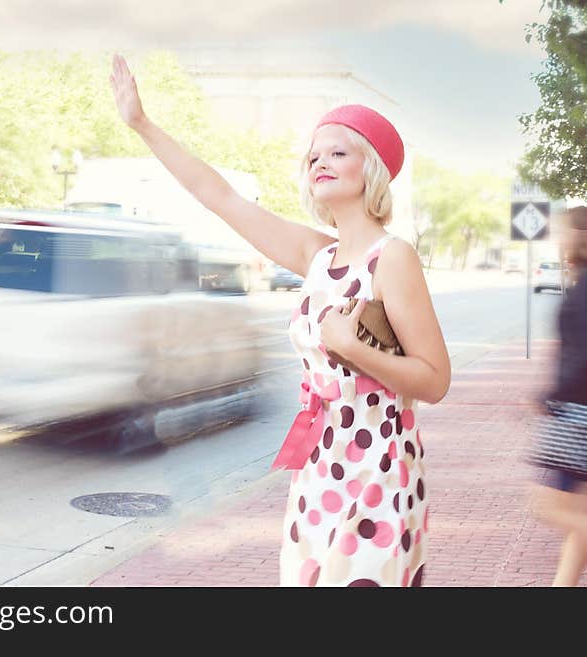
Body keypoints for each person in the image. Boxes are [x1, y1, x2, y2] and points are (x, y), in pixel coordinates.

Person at [110, 54, 450, 587]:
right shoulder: (316, 255)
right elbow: (219, 196)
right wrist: (142, 124)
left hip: (380, 467)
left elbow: (435, 379)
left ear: (372, 168)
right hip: (320, 466)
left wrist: (355, 348)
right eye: (314, 155)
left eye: (339, 151)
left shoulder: (393, 257)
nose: (321, 161)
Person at [531, 206, 587, 586]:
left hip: (581, 410)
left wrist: (552, 395)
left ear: (580, 235)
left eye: (563, 232)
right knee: (580, 512)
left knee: (546, 505)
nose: (559, 239)